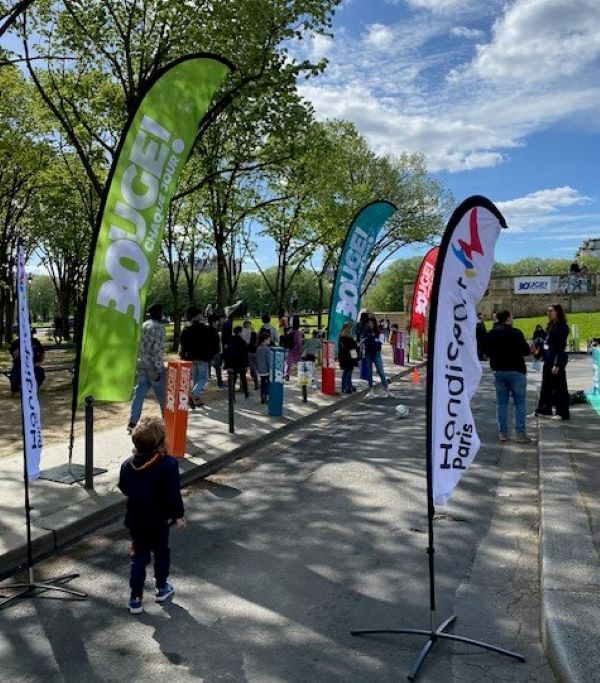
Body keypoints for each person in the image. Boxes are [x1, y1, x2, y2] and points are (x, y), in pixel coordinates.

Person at [118, 417, 186, 614]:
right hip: (159, 520)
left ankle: (135, 598)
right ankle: (161, 587)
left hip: (137, 519)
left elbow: (125, 488)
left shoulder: (127, 465)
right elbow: (173, 494)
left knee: (139, 556)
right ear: (161, 440)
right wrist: (179, 515)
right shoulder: (168, 465)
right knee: (162, 552)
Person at [484, 310, 532, 442]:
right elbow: (526, 350)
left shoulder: (492, 333)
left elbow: (485, 350)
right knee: (520, 402)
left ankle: (503, 433)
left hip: (499, 371)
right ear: (509, 319)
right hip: (516, 370)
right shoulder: (516, 333)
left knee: (501, 403)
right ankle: (520, 433)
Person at [127, 303, 165, 432]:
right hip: (154, 368)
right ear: (158, 313)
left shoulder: (142, 326)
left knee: (139, 394)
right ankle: (168, 421)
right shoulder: (158, 328)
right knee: (163, 397)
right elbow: (158, 350)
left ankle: (132, 421)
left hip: (142, 364)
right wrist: (159, 369)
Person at [534, 304, 570, 420]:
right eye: (547, 311)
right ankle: (544, 410)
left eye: (551, 311)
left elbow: (561, 347)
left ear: (557, 312)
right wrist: (538, 353)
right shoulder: (550, 327)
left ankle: (562, 412)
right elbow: (547, 344)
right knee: (546, 387)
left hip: (556, 361)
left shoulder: (561, 327)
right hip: (548, 360)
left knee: (560, 388)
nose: (548, 313)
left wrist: (558, 364)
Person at [179, 306, 219, 409]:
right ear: (198, 315)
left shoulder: (186, 329)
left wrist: (183, 356)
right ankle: (194, 394)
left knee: (196, 379)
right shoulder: (206, 329)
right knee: (204, 378)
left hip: (190, 357)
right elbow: (213, 340)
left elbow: (182, 344)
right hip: (202, 357)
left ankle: (196, 399)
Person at [361, 317, 391, 396]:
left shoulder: (379, 332)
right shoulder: (366, 331)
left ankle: (387, 390)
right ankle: (370, 389)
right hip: (368, 353)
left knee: (380, 371)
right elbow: (363, 340)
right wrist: (372, 340)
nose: (370, 324)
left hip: (376, 353)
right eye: (369, 323)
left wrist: (371, 340)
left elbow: (379, 344)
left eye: (371, 323)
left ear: (374, 323)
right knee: (369, 372)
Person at [9, 329, 45, 395]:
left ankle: (34, 388)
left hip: (33, 365)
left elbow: (42, 352)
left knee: (41, 374)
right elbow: (14, 355)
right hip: (19, 365)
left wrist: (39, 362)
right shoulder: (16, 343)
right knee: (14, 377)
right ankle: (16, 390)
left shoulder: (35, 341)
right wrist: (22, 345)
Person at [223, 326, 250, 398]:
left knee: (233, 379)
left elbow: (226, 352)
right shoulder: (242, 342)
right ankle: (246, 392)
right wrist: (247, 364)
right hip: (240, 363)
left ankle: (232, 395)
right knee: (243, 378)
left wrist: (226, 364)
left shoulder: (230, 340)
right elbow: (245, 355)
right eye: (242, 332)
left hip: (232, 363)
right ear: (239, 333)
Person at [338, 321, 359, 393]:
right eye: (348, 327)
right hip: (346, 356)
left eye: (350, 327)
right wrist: (354, 343)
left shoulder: (349, 336)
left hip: (351, 355)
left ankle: (349, 386)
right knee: (347, 371)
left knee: (350, 371)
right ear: (345, 328)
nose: (350, 329)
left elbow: (354, 346)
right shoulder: (343, 336)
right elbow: (348, 346)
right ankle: (344, 387)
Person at [209, 314, 226, 389]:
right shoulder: (212, 331)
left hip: (216, 351)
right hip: (215, 352)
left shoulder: (213, 330)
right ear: (213, 322)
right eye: (216, 321)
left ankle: (220, 382)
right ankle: (220, 383)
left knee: (218, 367)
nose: (218, 322)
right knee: (218, 368)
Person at [242, 320, 259, 390]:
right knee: (250, 368)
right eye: (247, 324)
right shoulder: (252, 332)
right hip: (250, 351)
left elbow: (248, 342)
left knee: (250, 368)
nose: (248, 325)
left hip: (249, 351)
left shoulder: (251, 332)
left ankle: (255, 383)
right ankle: (255, 383)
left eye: (249, 324)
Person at [255, 332, 271, 404]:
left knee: (262, 384)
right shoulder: (267, 349)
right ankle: (265, 397)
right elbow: (268, 361)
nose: (269, 341)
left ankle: (262, 396)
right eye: (268, 339)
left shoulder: (258, 348)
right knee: (266, 384)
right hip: (266, 370)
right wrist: (270, 369)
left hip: (260, 370)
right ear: (265, 340)